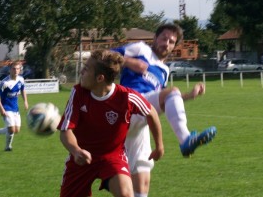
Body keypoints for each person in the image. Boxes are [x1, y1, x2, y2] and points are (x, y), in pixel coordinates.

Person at [112, 24, 217, 196]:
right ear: (155, 38)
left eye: (171, 41)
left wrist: (189, 95)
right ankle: (185, 140)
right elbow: (103, 56)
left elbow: (164, 98)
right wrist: (131, 62)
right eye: (163, 38)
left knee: (142, 177)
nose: (166, 43)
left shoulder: (164, 70)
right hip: (126, 106)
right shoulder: (140, 49)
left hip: (141, 120)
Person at [57, 49, 164, 197]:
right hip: (80, 159)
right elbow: (65, 131)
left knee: (126, 194)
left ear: (100, 78)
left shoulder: (126, 97)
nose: (81, 71)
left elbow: (151, 112)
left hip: (112, 157)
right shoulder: (78, 93)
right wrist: (76, 151)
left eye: (86, 69)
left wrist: (159, 146)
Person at [0, 61, 29, 151]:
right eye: (13, 69)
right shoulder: (5, 82)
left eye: (18, 69)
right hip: (6, 108)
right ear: (10, 70)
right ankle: (8, 147)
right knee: (11, 129)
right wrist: (1, 109)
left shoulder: (21, 79)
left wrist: (25, 101)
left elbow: (23, 90)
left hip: (15, 108)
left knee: (16, 130)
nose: (16, 70)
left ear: (20, 70)